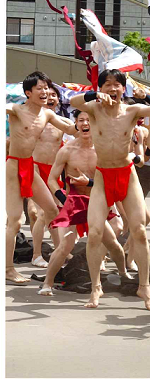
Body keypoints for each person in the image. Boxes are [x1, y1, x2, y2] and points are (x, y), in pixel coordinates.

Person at [69, 68, 150, 309]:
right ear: (101, 88)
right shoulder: (94, 109)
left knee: (140, 230)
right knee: (94, 233)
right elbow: (73, 101)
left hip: (127, 175)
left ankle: (145, 287)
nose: (112, 88)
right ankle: (96, 287)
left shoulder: (132, 111)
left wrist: (145, 96)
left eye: (117, 84)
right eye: (107, 84)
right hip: (103, 176)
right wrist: (94, 95)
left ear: (124, 88)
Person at [39, 110, 129, 296]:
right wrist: (64, 200)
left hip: (97, 201)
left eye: (89, 120)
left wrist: (89, 182)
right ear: (76, 124)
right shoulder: (67, 150)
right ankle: (47, 284)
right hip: (74, 203)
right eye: (81, 120)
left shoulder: (104, 149)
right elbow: (52, 179)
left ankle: (124, 275)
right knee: (65, 246)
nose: (85, 123)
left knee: (113, 243)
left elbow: (112, 179)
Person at [6, 72, 77, 284]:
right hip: (13, 166)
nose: (45, 92)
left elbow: (70, 128)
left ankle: (60, 254)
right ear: (28, 93)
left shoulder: (47, 114)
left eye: (46, 87)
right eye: (40, 88)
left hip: (30, 166)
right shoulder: (16, 110)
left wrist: (88, 120)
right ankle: (8, 268)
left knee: (52, 210)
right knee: (15, 221)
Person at [30, 87, 67, 268]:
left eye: (54, 95)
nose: (50, 98)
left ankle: (59, 250)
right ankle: (36, 255)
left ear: (58, 100)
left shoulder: (62, 122)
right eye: (48, 95)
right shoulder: (35, 120)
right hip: (36, 169)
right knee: (41, 213)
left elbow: (78, 129)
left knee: (55, 213)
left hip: (53, 172)